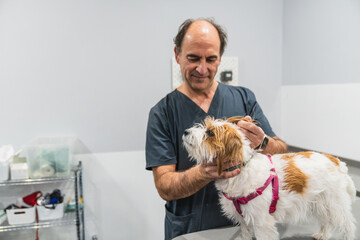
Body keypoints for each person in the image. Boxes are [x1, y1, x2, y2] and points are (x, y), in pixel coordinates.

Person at [145, 18, 287, 240]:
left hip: (244, 226)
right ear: (177, 55)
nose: (202, 69)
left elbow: (281, 152)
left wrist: (263, 143)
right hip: (190, 230)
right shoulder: (163, 113)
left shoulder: (244, 99)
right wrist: (204, 173)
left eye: (211, 59)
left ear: (220, 58)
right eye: (193, 58)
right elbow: (164, 186)